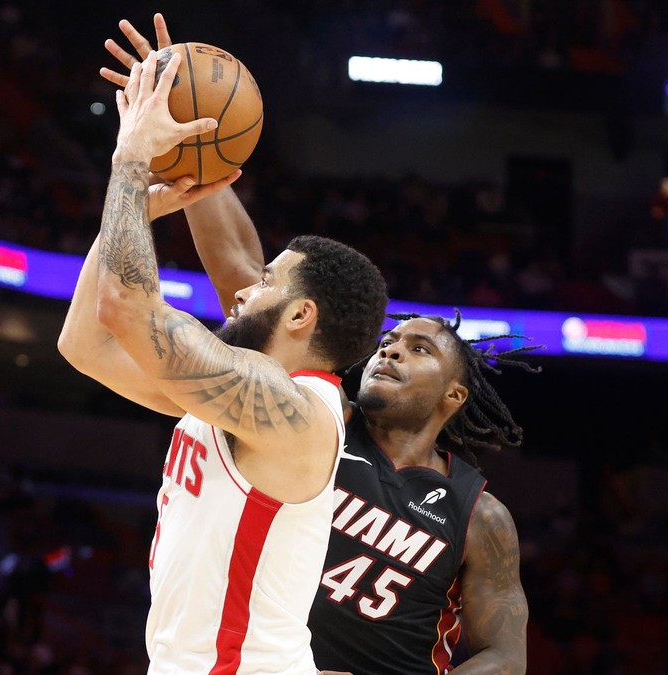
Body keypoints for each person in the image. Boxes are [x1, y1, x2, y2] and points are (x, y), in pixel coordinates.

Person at [99, 15, 535, 674]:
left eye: (419, 349)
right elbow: (252, 286)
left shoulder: (478, 514)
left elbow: (505, 655)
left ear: (455, 393)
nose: (390, 350)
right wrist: (193, 143)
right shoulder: (311, 418)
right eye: (390, 338)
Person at [57, 46, 390, 674]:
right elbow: (86, 346)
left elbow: (125, 307)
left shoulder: (295, 414)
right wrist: (147, 205)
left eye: (266, 280)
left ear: (301, 316)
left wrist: (130, 159)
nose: (243, 288)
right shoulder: (233, 398)